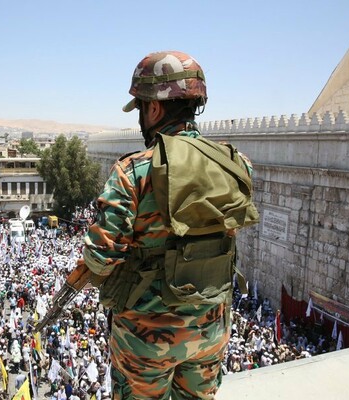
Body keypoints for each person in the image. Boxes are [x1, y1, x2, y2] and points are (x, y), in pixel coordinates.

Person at [83, 51, 255, 399]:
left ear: (155, 109)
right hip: (210, 330)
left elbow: (100, 259)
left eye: (143, 109)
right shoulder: (237, 164)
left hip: (147, 339)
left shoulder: (132, 171)